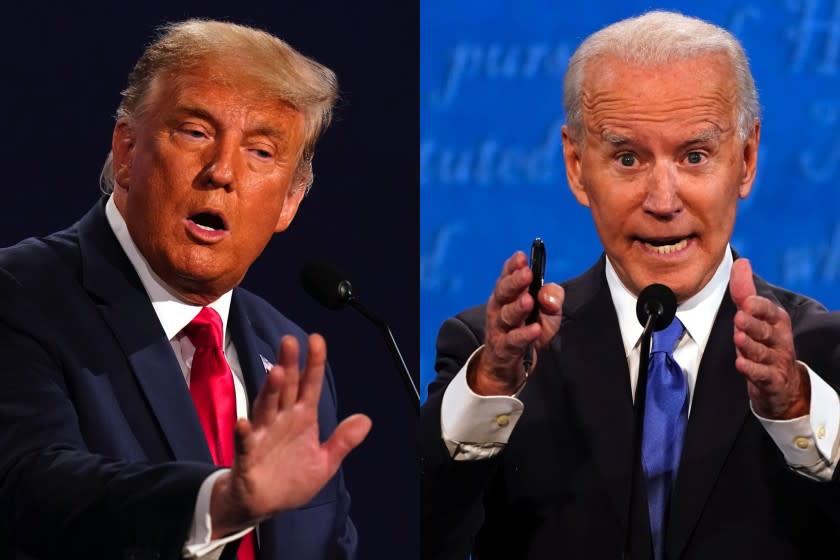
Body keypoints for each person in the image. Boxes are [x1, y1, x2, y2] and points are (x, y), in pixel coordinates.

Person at [420, 10, 840, 560]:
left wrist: (795, 410)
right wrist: (494, 386)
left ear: (746, 159)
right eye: (627, 158)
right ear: (576, 166)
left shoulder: (822, 357)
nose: (663, 202)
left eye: (694, 156)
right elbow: (423, 536)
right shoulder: (494, 358)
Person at [0, 19, 373, 560]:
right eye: (196, 132)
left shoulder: (287, 355)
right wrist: (220, 503)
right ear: (127, 151)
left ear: (291, 200)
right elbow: (31, 487)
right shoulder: (23, 296)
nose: (222, 171)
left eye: (261, 152)